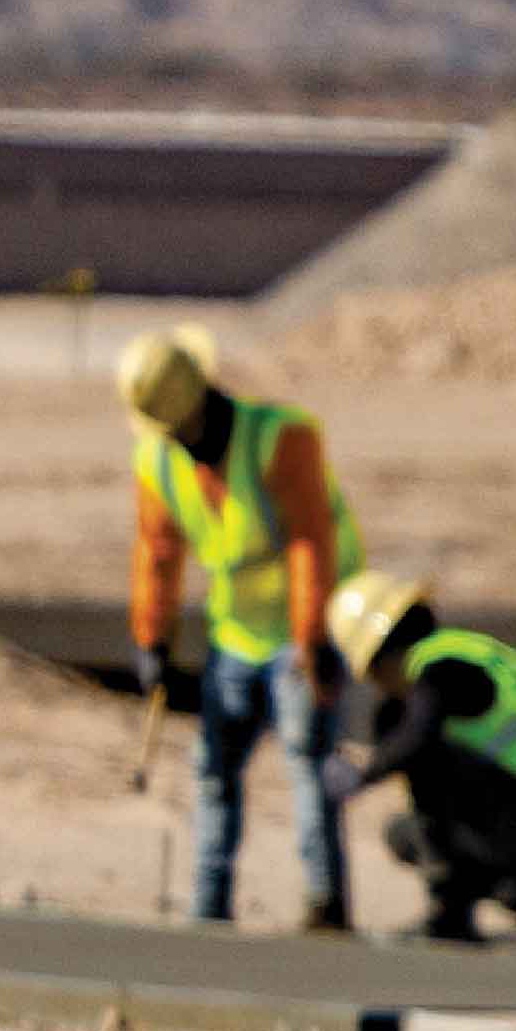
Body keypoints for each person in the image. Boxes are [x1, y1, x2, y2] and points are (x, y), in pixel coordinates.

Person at [118, 322, 360, 936]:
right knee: (214, 768)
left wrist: (314, 641)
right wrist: (152, 638)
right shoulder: (161, 462)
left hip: (302, 632)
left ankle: (326, 906)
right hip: (236, 635)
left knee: (307, 762)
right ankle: (209, 908)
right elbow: (158, 553)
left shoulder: (282, 439)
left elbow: (311, 545)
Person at [327, 574, 516, 952]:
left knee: (431, 767)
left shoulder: (441, 670)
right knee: (407, 833)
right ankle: (471, 914)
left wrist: (360, 774)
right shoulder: (462, 652)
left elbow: (417, 737)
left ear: (380, 655)